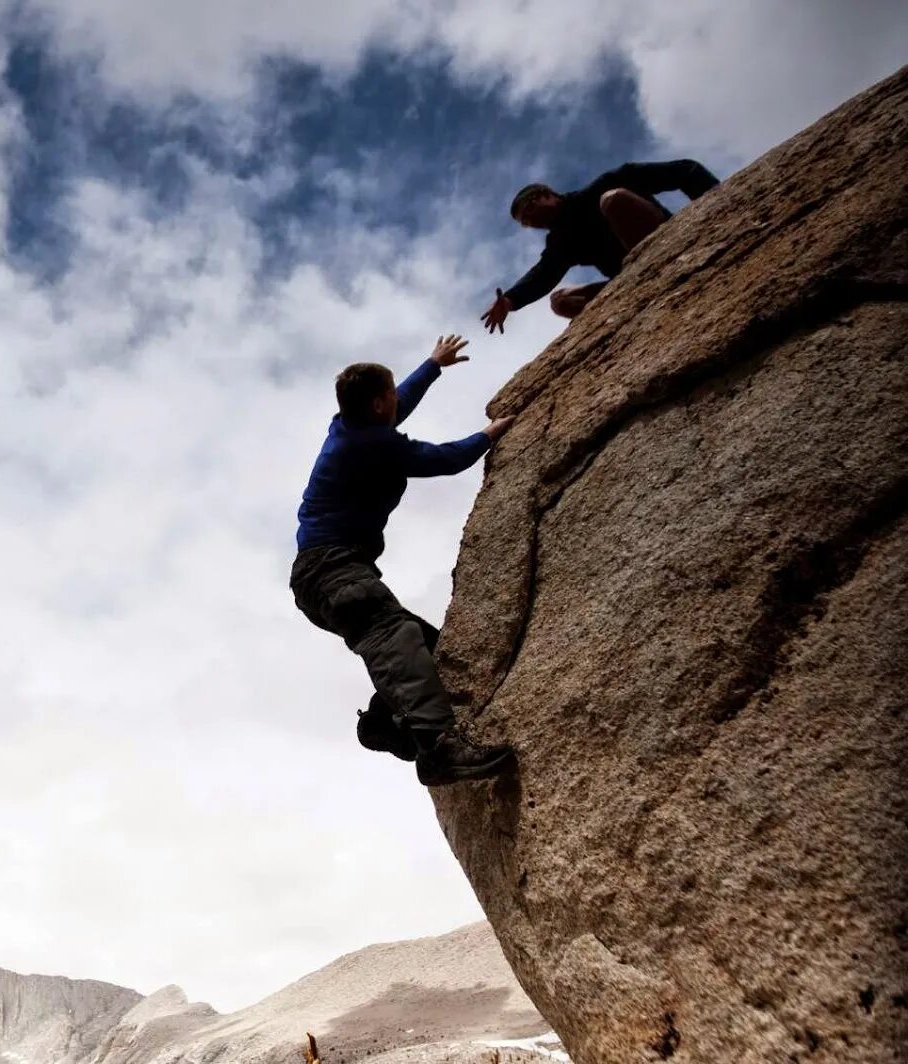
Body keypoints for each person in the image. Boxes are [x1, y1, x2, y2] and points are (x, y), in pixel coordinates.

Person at [291, 335, 515, 786]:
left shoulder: (355, 428)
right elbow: (445, 459)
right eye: (389, 395)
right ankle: (438, 749)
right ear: (377, 404)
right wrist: (490, 435)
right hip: (331, 570)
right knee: (392, 633)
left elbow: (400, 405)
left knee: (430, 650)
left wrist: (433, 364)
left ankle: (384, 722)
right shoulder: (371, 447)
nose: (396, 400)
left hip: (328, 575)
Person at [480, 159, 720, 331]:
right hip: (632, 278)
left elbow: (685, 171)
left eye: (529, 212)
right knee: (561, 301)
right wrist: (509, 301)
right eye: (525, 223)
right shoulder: (562, 241)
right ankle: (625, 319)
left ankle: (656, 259)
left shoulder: (604, 185)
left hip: (669, 241)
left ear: (546, 194)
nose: (531, 222)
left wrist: (722, 204)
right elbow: (543, 274)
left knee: (613, 200)